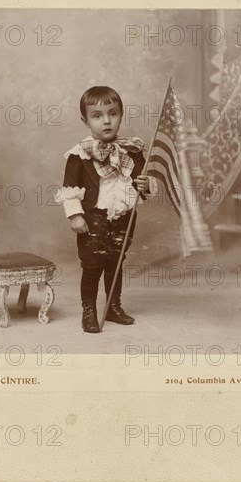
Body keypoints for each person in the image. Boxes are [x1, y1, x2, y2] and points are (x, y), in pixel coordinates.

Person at [59, 85, 155, 333]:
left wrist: (145, 184)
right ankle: (88, 310)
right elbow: (70, 188)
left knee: (115, 262)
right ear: (85, 120)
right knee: (92, 265)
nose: (106, 121)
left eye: (113, 113)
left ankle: (113, 307)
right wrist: (76, 215)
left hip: (122, 219)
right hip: (93, 219)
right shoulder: (78, 155)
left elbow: (141, 186)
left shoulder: (132, 151)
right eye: (97, 116)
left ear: (121, 114)